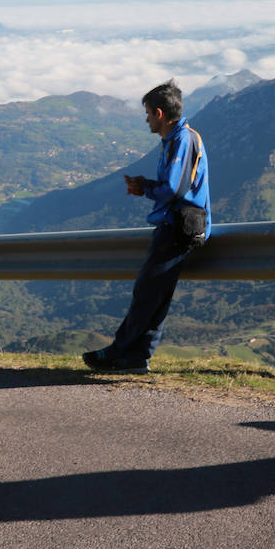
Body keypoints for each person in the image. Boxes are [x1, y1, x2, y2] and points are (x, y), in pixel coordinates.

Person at [83, 80, 211, 375]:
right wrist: (146, 186)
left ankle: (118, 352)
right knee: (156, 297)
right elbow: (174, 186)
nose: (146, 119)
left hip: (177, 228)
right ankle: (137, 357)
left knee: (146, 293)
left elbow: (176, 190)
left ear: (159, 113)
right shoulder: (175, 140)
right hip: (176, 226)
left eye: (148, 114)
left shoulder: (183, 140)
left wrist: (147, 190)